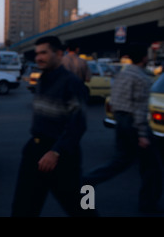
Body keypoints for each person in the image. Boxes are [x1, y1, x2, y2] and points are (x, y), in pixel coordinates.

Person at [11, 36, 96, 217]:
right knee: (23, 208)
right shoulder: (43, 77)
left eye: (44, 53)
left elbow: (78, 123)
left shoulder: (71, 82)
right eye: (37, 54)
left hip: (61, 156)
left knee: (82, 208)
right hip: (35, 150)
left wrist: (57, 151)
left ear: (58, 53)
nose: (38, 57)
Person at [82, 45, 163, 214]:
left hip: (121, 121)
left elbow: (115, 100)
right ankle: (147, 204)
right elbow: (140, 109)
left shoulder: (123, 73)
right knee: (152, 168)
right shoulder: (142, 78)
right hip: (134, 124)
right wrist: (142, 134)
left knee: (120, 161)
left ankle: (87, 182)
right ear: (144, 58)